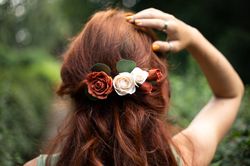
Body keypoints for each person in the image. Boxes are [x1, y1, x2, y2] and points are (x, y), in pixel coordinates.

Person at [25, 8, 244, 166]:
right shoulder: (185, 157)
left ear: (77, 89)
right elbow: (229, 94)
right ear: (159, 88)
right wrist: (193, 37)